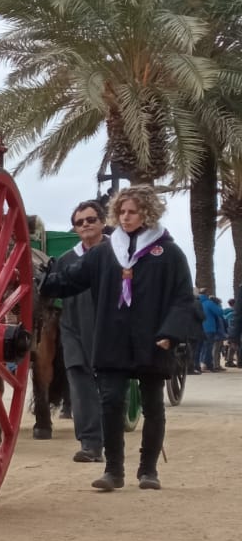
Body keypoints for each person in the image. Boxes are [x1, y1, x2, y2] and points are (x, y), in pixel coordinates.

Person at [42, 186, 204, 491]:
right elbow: (71, 280)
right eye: (122, 211)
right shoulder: (105, 253)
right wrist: (42, 281)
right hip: (112, 338)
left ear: (147, 213)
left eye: (132, 212)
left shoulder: (168, 253)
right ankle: (113, 471)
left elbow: (184, 299)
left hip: (154, 340)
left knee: (153, 405)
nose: (125, 217)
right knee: (111, 402)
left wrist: (170, 333)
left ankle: (148, 470)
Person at [61, 200, 107, 464]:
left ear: (101, 221)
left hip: (110, 329)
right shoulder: (68, 259)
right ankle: (90, 444)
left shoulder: (119, 252)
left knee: (110, 389)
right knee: (80, 386)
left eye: (90, 220)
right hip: (74, 329)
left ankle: (110, 442)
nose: (86, 225)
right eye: (80, 222)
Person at [197, 291, 227, 373]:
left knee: (200, 347)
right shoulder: (209, 303)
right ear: (206, 294)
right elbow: (220, 312)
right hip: (209, 328)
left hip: (199, 328)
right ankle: (206, 365)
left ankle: (200, 364)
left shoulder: (198, 302)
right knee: (208, 347)